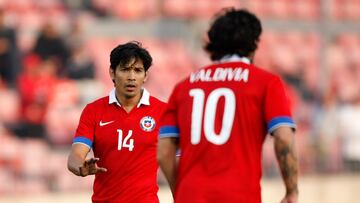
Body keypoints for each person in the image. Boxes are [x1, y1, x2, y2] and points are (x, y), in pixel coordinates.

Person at [157, 8, 299, 203]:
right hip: (239, 195)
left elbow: (164, 150)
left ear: (213, 44)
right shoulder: (266, 83)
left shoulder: (183, 87)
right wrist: (291, 191)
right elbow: (283, 137)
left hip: (191, 195)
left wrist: (180, 191)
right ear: (253, 45)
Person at [67, 41, 166, 202]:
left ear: (146, 76)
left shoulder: (163, 112)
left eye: (138, 70)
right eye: (125, 69)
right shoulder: (93, 111)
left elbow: (178, 165)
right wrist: (80, 166)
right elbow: (75, 155)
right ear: (112, 73)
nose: (131, 77)